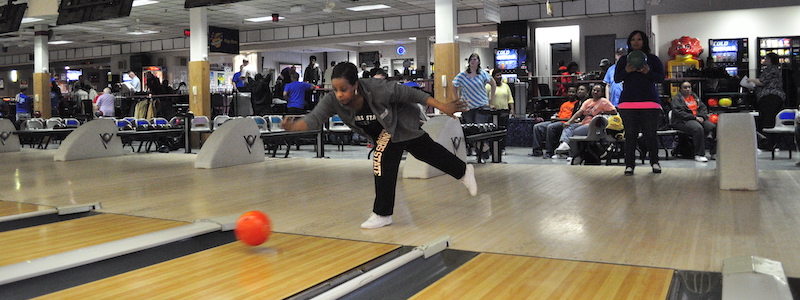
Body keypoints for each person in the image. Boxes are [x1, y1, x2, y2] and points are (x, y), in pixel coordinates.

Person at [280, 62, 477, 229]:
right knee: (424, 153)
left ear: (355, 85)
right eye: (336, 89)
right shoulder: (333, 100)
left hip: (401, 122)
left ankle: (383, 214)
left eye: (344, 89)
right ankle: (463, 171)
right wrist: (295, 126)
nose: (339, 94)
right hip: (381, 131)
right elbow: (315, 118)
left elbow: (412, 94)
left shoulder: (377, 88)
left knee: (390, 157)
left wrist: (443, 107)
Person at [614, 30, 666, 176]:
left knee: (650, 134)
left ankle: (654, 162)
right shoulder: (623, 60)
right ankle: (629, 165)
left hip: (650, 103)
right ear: (629, 42)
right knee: (630, 135)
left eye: (639, 39)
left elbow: (661, 78)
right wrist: (626, 71)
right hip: (627, 103)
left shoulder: (653, 59)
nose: (636, 42)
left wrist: (648, 72)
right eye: (633, 40)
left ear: (644, 42)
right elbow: (617, 79)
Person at [563, 84, 617, 162]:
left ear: (602, 93)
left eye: (598, 91)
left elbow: (614, 111)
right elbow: (579, 112)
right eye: (594, 90)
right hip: (583, 123)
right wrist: (569, 122)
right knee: (568, 127)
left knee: (575, 132)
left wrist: (602, 112)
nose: (595, 92)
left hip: (593, 126)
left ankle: (574, 155)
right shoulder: (588, 101)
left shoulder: (604, 101)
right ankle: (564, 143)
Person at [530, 86, 580, 158]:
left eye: (573, 92)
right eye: (569, 92)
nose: (571, 94)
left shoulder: (577, 104)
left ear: (576, 94)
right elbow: (559, 115)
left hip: (565, 122)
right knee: (537, 127)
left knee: (551, 127)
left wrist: (558, 119)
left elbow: (573, 119)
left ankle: (549, 152)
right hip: (558, 120)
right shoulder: (564, 104)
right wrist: (555, 117)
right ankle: (537, 151)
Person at [671, 81, 716, 162]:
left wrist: (701, 116)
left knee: (713, 127)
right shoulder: (677, 99)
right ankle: (699, 154)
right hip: (682, 121)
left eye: (689, 87)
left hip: (698, 118)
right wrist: (694, 117)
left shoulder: (695, 97)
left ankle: (714, 153)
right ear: (680, 89)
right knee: (698, 128)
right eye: (685, 87)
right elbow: (679, 113)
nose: (688, 89)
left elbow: (703, 108)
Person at [453, 53, 496, 124]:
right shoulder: (462, 75)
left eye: (475, 59)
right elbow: (454, 86)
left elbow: (493, 84)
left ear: (478, 62)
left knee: (479, 127)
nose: (472, 61)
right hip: (467, 106)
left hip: (481, 105)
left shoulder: (483, 73)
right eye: (471, 60)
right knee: (469, 128)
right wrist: (457, 100)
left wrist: (491, 100)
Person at [748, 52, 786, 131]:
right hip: (776, 97)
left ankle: (766, 139)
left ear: (770, 60)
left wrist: (751, 80)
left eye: (766, 58)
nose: (764, 60)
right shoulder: (777, 69)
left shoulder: (770, 69)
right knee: (771, 118)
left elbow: (762, 82)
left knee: (766, 119)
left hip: (769, 97)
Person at [554, 85, 590, 155]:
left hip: (585, 123)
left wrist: (576, 120)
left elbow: (586, 115)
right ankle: (563, 147)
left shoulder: (588, 102)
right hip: (576, 122)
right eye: (579, 90)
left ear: (587, 92)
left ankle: (568, 150)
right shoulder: (577, 103)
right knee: (568, 125)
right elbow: (574, 115)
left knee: (570, 128)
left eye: (582, 90)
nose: (579, 91)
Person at [487, 68, 514, 153]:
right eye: (497, 75)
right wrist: (490, 105)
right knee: (493, 131)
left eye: (500, 75)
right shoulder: (488, 86)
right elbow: (484, 99)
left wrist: (512, 109)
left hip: (504, 112)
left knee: (503, 131)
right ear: (493, 77)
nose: (499, 77)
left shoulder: (506, 86)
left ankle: (502, 148)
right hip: (493, 113)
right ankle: (493, 149)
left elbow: (510, 98)